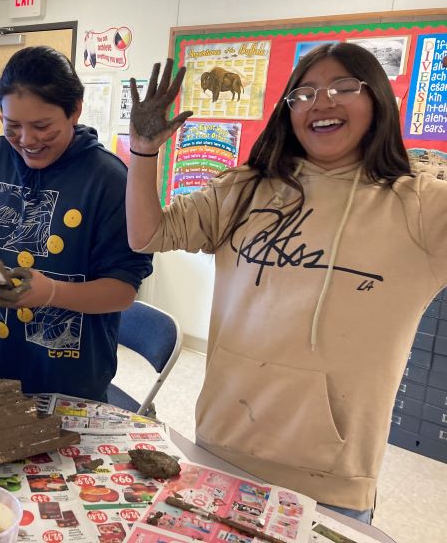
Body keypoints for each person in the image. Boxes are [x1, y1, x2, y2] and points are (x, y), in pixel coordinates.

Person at [125, 42, 447, 523]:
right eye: (306, 93)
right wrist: (144, 150)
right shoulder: (243, 190)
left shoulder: (421, 205)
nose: (323, 102)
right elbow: (146, 234)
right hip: (223, 444)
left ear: (377, 99)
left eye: (343, 87)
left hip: (331, 475)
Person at [0, 46, 153, 402]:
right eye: (12, 125)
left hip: (70, 384)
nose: (27, 141)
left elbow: (123, 290)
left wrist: (52, 293)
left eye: (42, 126)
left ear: (75, 109)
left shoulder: (108, 179)